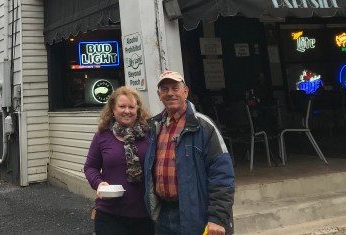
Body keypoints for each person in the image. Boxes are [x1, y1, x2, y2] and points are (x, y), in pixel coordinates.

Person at [144, 71, 235, 235]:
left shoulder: (204, 127)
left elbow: (222, 175)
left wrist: (217, 217)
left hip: (196, 215)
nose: (170, 93)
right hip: (163, 215)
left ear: (185, 92)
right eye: (164, 89)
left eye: (175, 88)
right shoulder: (154, 127)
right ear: (159, 95)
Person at [84, 86, 155, 235]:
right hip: (110, 214)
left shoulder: (150, 135)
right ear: (113, 109)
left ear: (138, 109)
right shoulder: (102, 136)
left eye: (131, 107)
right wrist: (99, 183)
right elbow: (90, 167)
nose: (127, 111)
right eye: (122, 106)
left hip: (145, 214)